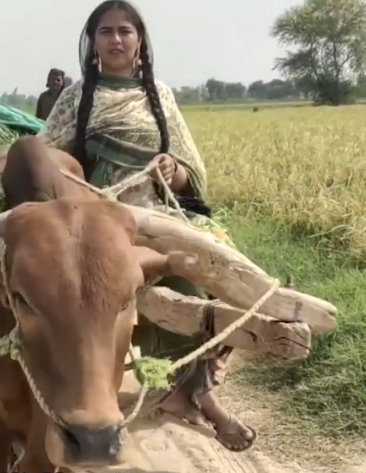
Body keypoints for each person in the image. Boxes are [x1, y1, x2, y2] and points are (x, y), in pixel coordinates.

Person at [36, 0, 256, 452]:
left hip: (162, 215)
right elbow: (46, 160)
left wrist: (171, 168)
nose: (116, 40)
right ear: (93, 42)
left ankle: (191, 391)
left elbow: (190, 171)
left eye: (124, 31)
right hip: (96, 223)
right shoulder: (76, 97)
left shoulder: (161, 94)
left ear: (139, 40)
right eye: (106, 32)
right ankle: (80, 391)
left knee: (210, 271)